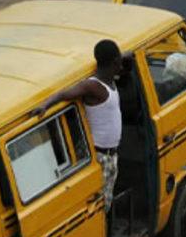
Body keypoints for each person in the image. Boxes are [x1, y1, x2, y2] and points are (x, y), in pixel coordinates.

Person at [34, 40, 122, 209]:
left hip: (111, 156)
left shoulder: (110, 79)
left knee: (107, 201)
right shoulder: (93, 86)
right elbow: (63, 94)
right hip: (99, 157)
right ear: (114, 62)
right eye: (119, 61)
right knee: (97, 206)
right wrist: (45, 104)